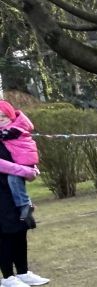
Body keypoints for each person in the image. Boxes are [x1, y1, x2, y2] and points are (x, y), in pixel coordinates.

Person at [0, 99, 40, 235]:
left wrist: (28, 170)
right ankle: (25, 205)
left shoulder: (14, 129)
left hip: (23, 161)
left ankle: (25, 205)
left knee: (14, 179)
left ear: (11, 116)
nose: (1, 119)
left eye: (3, 116)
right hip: (21, 164)